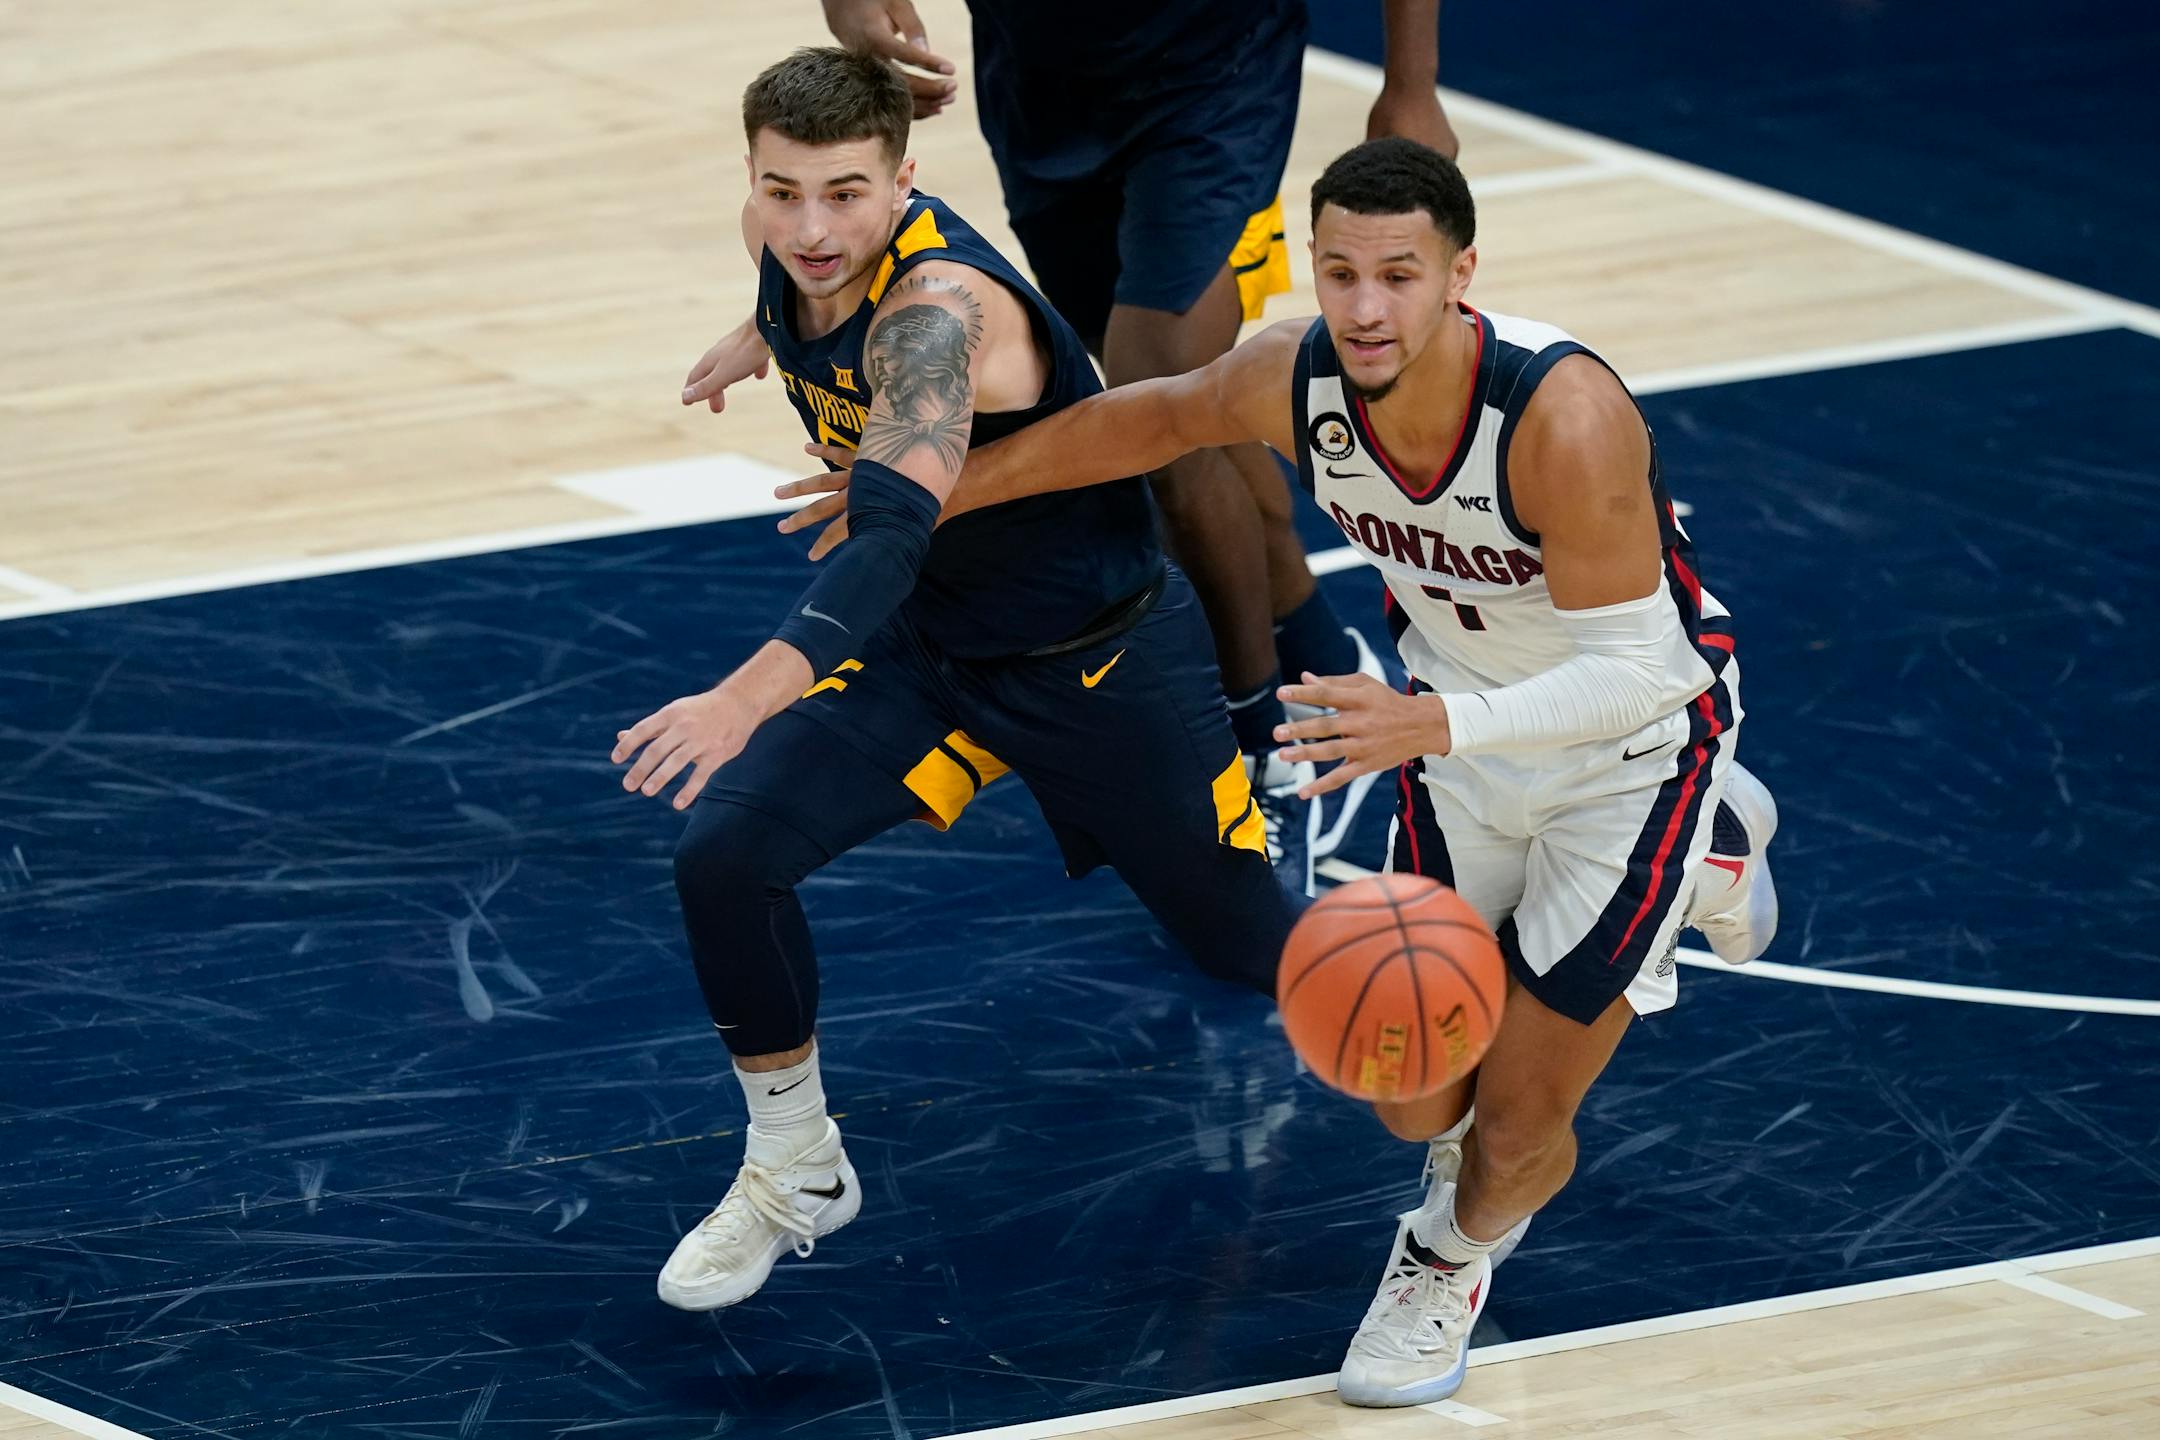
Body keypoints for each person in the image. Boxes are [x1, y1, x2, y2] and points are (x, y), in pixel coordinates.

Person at [779, 137, 1781, 1407]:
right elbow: (1137, 423)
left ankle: (1447, 1258)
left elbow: (1647, 675)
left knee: (1515, 1126)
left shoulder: (1561, 418)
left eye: (1400, 276)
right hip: (1448, 733)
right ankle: (1717, 863)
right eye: (1341, 271)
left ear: (1461, 273)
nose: (1365, 307)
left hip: (1628, 755)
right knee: (1411, 1090)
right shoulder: (1295, 376)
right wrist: (928, 496)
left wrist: (1434, 728)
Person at [618, 48, 1302, 1313]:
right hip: (935, 655)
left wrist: (745, 694)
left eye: (842, 196)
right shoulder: (800, 252)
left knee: (1257, 953)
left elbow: (884, 537)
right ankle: (794, 1167)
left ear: (904, 182)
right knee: (724, 856)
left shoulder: (933, 319)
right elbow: (806, 283)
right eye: (779, 192)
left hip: (1095, 663)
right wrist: (754, 337)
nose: (808, 228)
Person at [711, 0, 1462, 890]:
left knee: (1162, 404)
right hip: (1042, 80)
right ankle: (1320, 644)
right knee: (1165, 399)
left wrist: (1411, 82)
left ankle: (1268, 742)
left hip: (1212, 74)